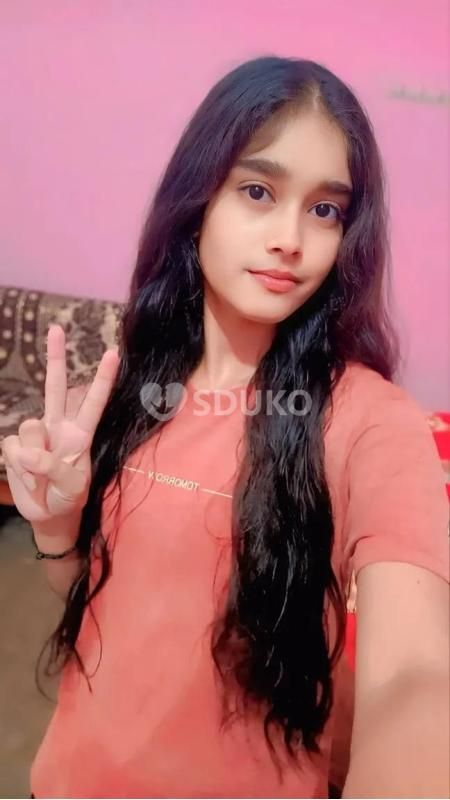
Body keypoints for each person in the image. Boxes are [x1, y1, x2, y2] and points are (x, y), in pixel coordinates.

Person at [2, 55, 449, 799]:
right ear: (197, 199)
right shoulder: (121, 391)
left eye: (325, 209)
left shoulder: (370, 422)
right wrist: (57, 525)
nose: (290, 238)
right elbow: (101, 604)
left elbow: (416, 677)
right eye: (258, 191)